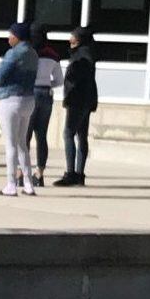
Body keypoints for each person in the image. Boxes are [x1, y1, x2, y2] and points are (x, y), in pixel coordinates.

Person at [0, 22, 39, 196]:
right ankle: (28, 183)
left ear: (17, 36)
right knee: (22, 144)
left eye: (11, 34)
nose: (8, 38)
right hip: (28, 99)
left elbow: (0, 77)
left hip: (11, 99)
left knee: (10, 144)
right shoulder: (33, 53)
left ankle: (11, 184)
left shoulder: (14, 53)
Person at [56, 26, 99, 187]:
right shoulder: (87, 53)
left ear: (79, 39)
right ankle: (79, 174)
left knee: (68, 133)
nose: (69, 39)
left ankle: (71, 173)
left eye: (72, 36)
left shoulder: (82, 56)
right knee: (81, 136)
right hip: (86, 100)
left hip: (77, 100)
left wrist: (69, 90)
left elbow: (75, 78)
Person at [24, 22, 64, 188]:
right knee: (42, 135)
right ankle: (39, 173)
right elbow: (59, 80)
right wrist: (47, 84)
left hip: (30, 92)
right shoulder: (52, 54)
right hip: (45, 94)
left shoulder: (27, 52)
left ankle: (21, 172)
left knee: (25, 135)